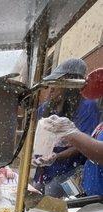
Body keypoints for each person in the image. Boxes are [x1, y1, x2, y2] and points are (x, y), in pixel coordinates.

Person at [34, 58, 100, 197]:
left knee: (52, 198)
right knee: (34, 194)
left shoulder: (88, 107)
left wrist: (57, 155)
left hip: (68, 171)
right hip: (44, 170)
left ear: (70, 84)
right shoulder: (45, 107)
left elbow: (87, 144)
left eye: (57, 83)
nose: (51, 88)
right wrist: (37, 156)